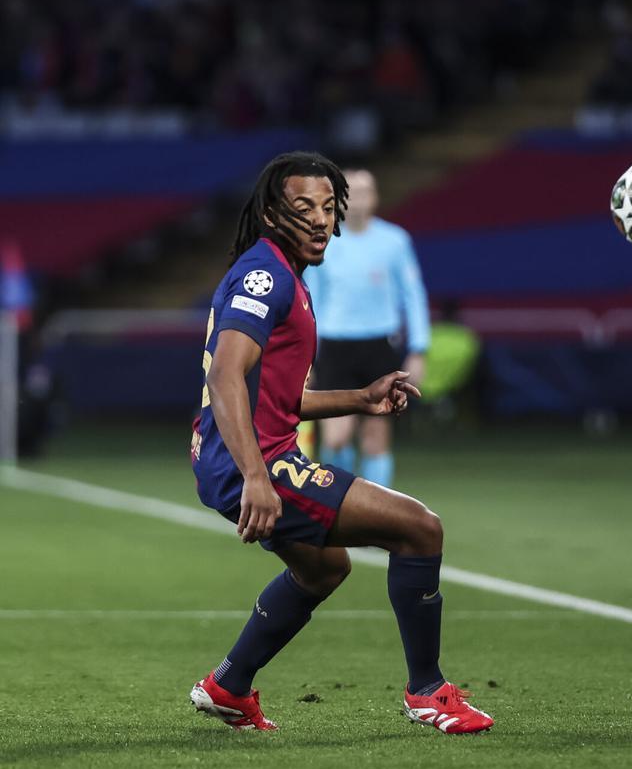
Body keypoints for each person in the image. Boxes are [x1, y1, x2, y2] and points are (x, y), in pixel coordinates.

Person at [187, 151, 491, 734]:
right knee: (419, 528)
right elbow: (225, 376)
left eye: (329, 207)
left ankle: (228, 686)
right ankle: (428, 690)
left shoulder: (285, 275)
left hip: (241, 451)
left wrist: (361, 397)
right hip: (253, 459)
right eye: (304, 207)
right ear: (273, 212)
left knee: (324, 570)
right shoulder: (266, 276)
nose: (322, 220)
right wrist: (256, 477)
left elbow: (274, 397)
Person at [303, 168, 430, 488]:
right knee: (335, 437)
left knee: (376, 436)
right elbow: (309, 301)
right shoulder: (323, 240)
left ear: (375, 197)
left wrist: (419, 349)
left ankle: (377, 513)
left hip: (378, 345)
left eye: (365, 192)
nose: (358, 199)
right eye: (351, 192)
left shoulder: (395, 241)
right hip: (334, 346)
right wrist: (305, 356)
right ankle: (339, 506)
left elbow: (413, 297)